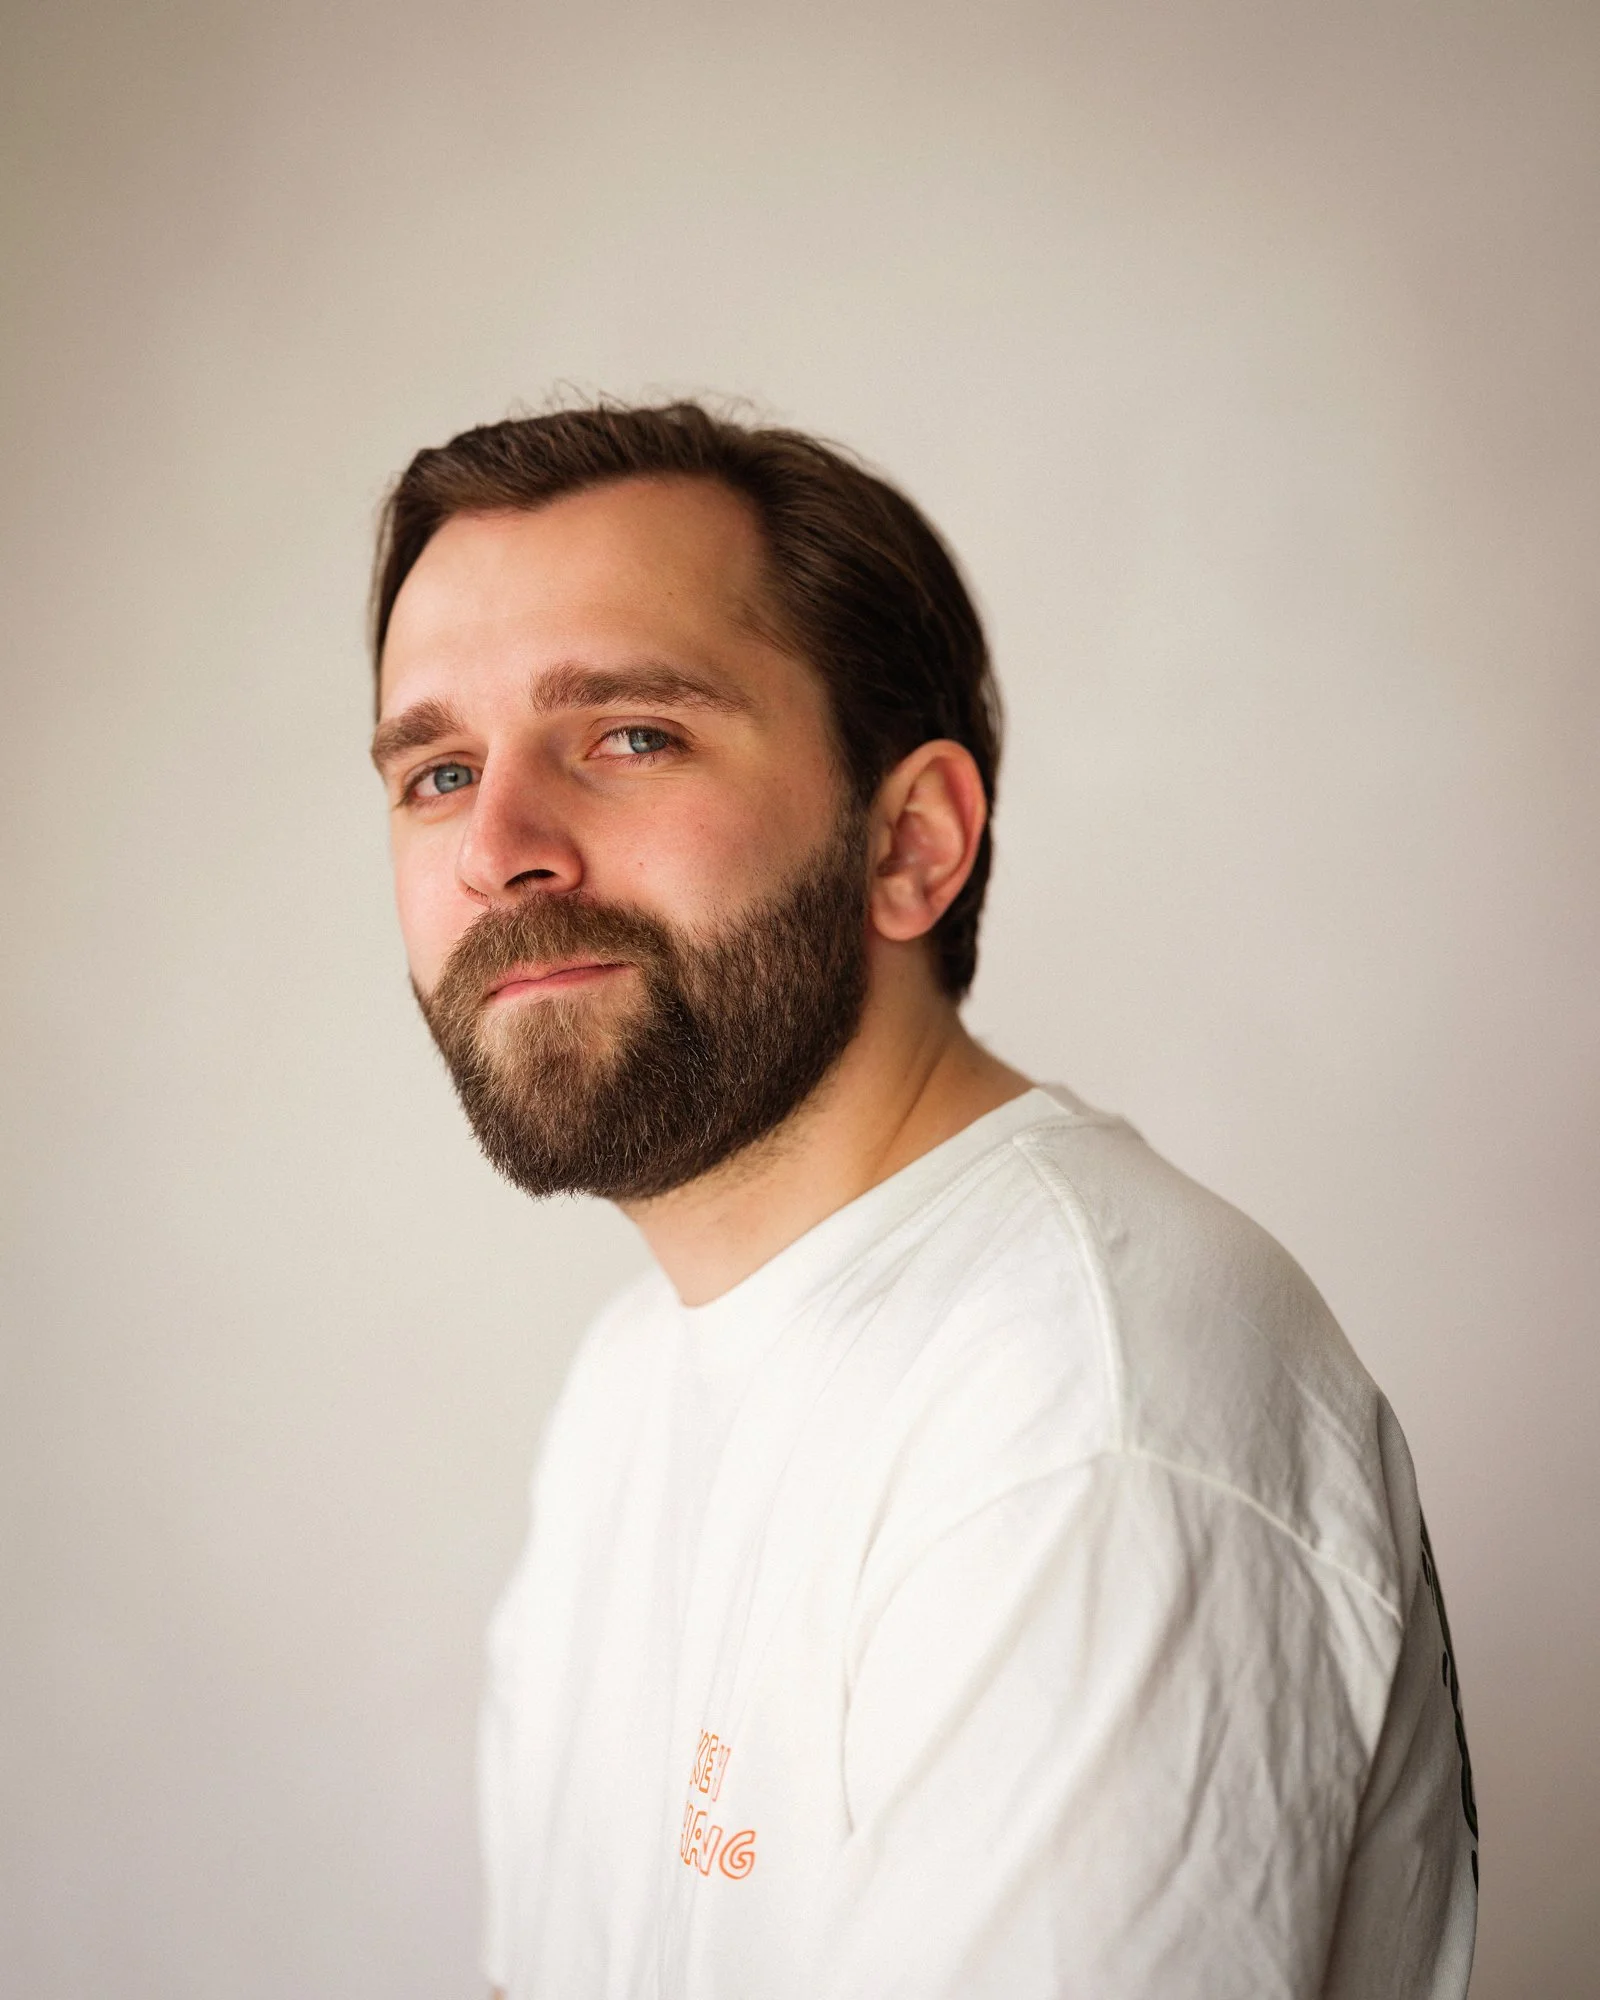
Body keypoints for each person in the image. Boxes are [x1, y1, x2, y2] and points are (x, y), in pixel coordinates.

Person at [368, 401, 1478, 2000]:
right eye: (439, 769)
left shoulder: (1085, 1402)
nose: (500, 847)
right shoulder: (626, 1388)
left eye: (628, 735)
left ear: (912, 843)